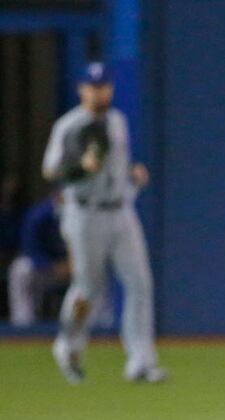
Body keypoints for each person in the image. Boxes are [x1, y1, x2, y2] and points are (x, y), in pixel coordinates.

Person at [42, 62, 165, 383]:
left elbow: (116, 165)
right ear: (82, 89)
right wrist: (81, 168)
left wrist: (132, 174)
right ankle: (68, 345)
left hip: (122, 210)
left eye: (105, 86)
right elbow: (51, 171)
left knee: (140, 283)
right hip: (84, 213)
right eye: (94, 86)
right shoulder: (68, 125)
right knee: (88, 288)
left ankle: (141, 361)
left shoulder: (117, 121)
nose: (100, 92)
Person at [7, 192, 69, 326]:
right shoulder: (40, 215)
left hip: (74, 269)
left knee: (98, 271)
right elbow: (30, 248)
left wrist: (72, 264)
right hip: (45, 270)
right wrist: (51, 267)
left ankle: (99, 327)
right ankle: (23, 326)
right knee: (20, 270)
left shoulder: (84, 214)